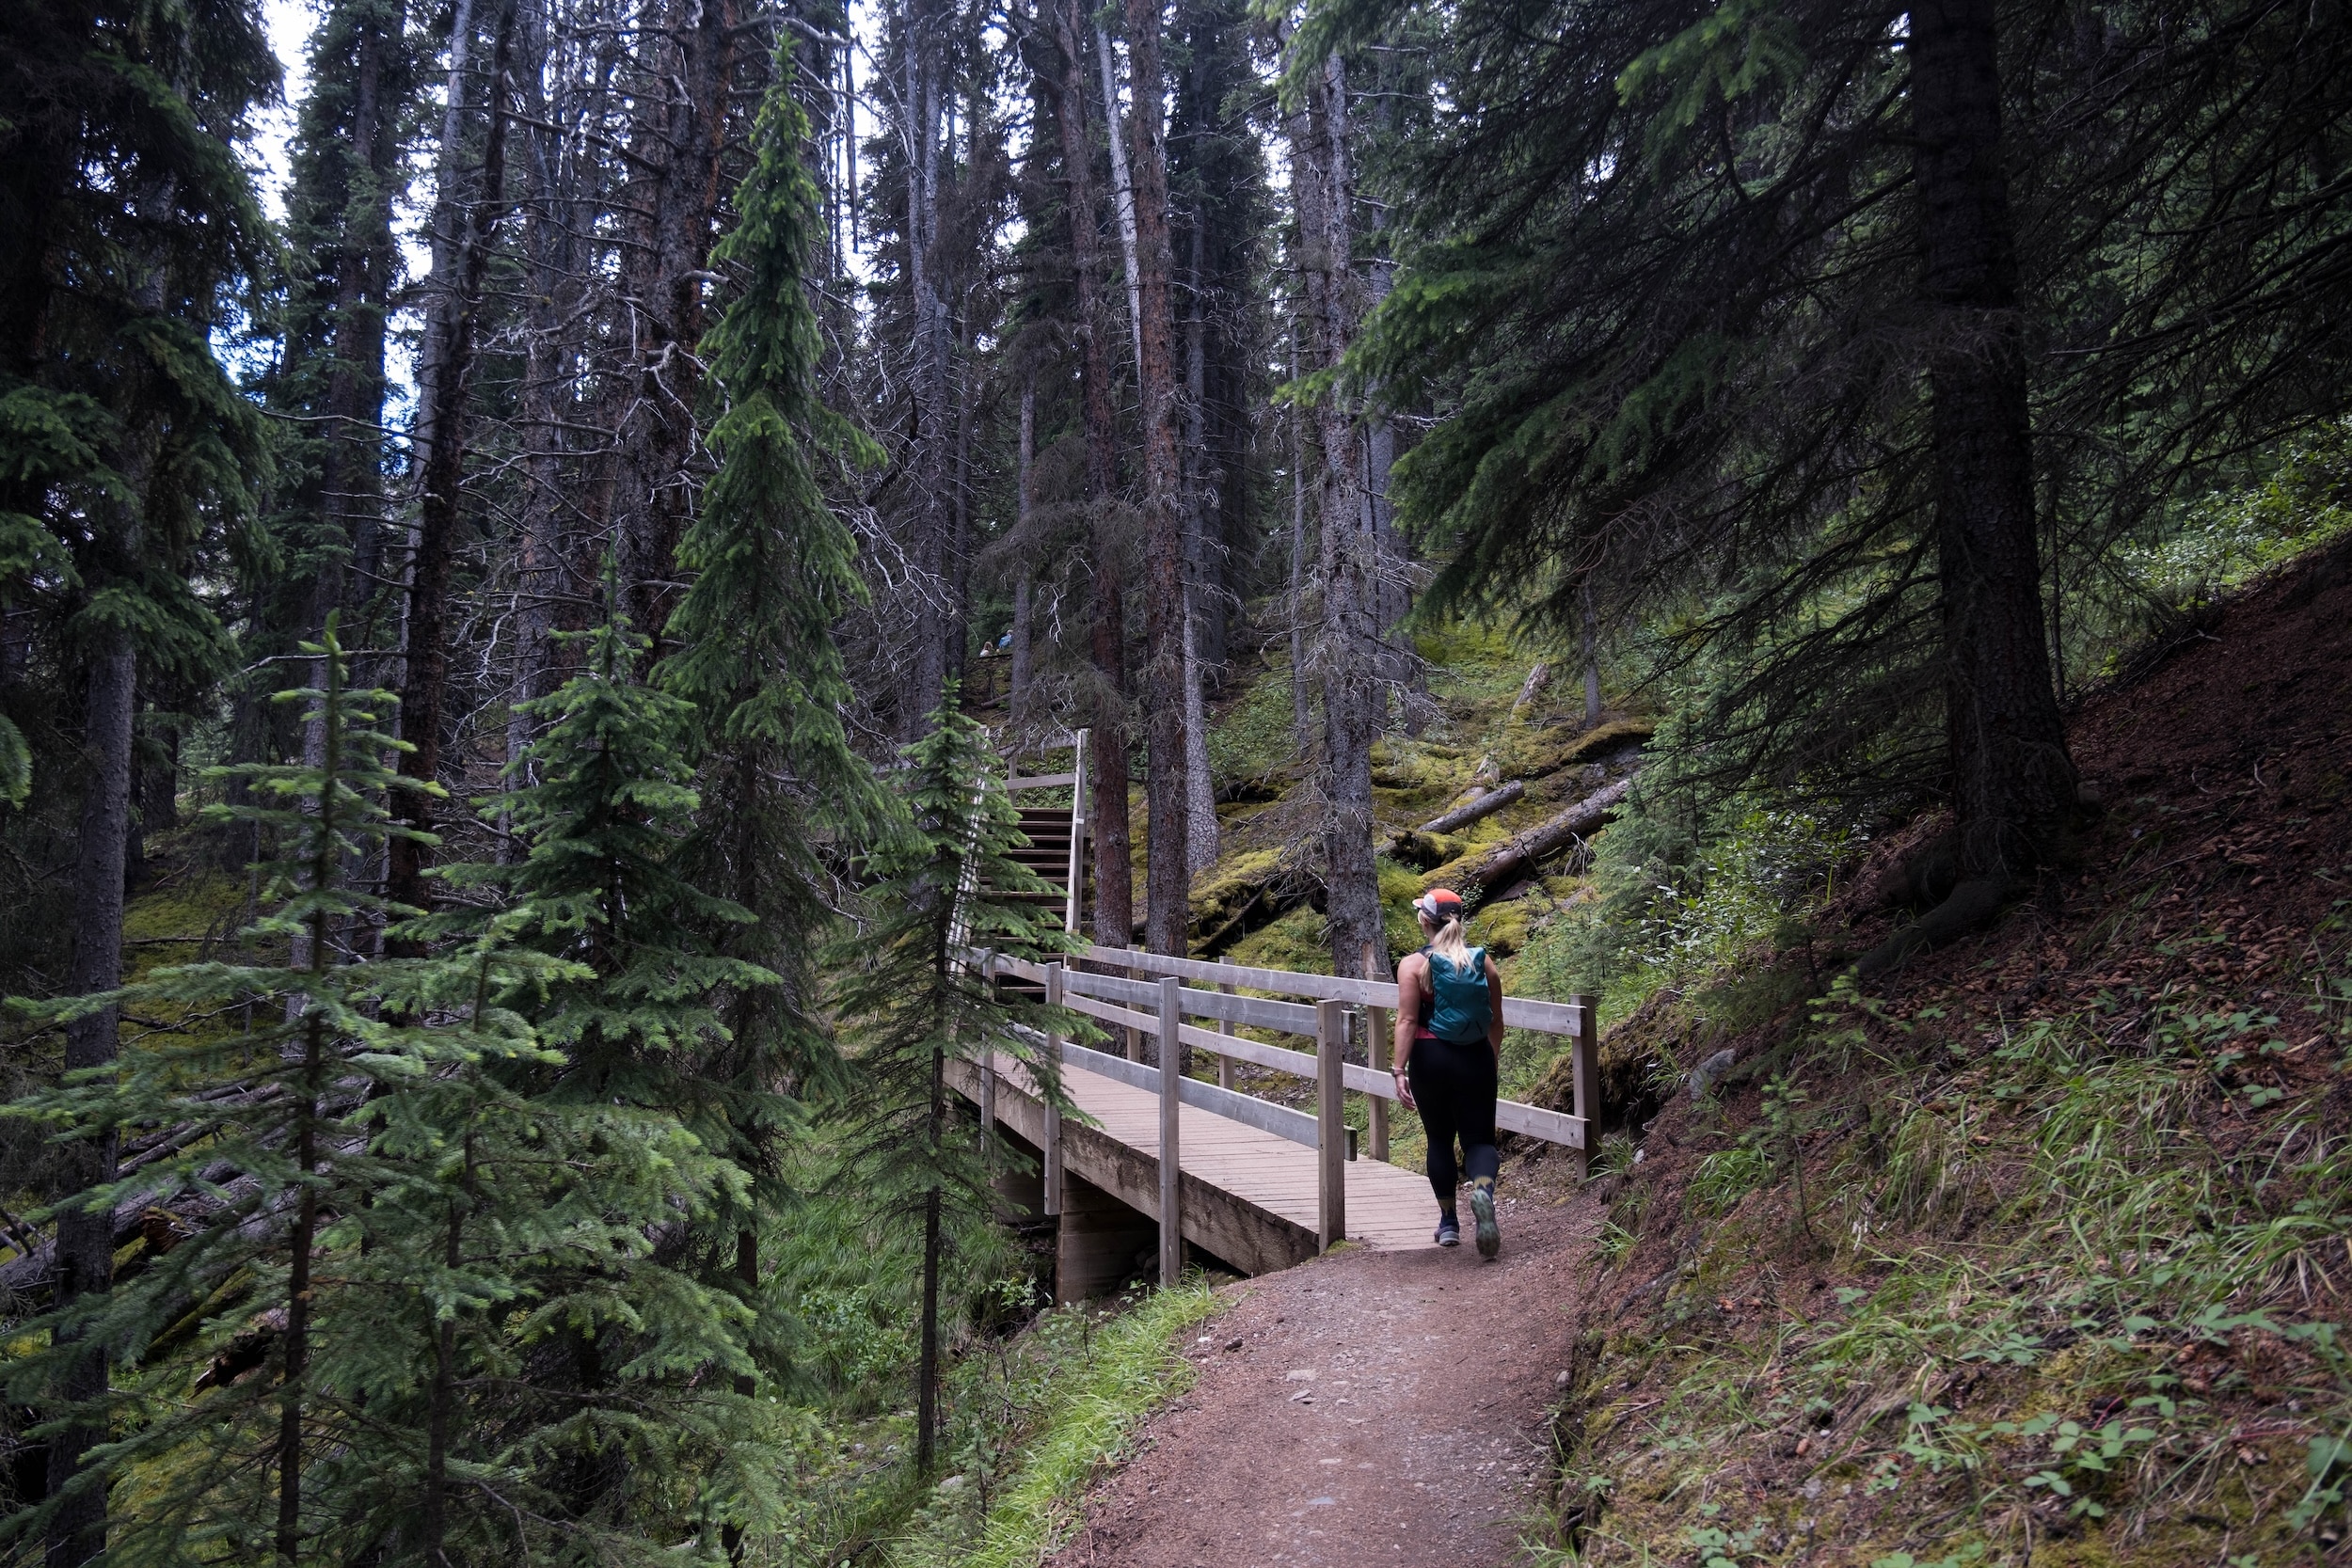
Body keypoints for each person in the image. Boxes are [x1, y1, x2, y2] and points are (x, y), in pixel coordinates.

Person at [1392, 888, 1505, 1258]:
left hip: (1430, 1058)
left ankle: (1448, 1225)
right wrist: (1491, 1060)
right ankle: (1482, 1191)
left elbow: (1407, 1020)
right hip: (1475, 1057)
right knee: (1480, 1142)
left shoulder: (1412, 966)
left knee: (1439, 1140)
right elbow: (1495, 1021)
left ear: (1424, 921)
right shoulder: (1482, 963)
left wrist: (1398, 1070)